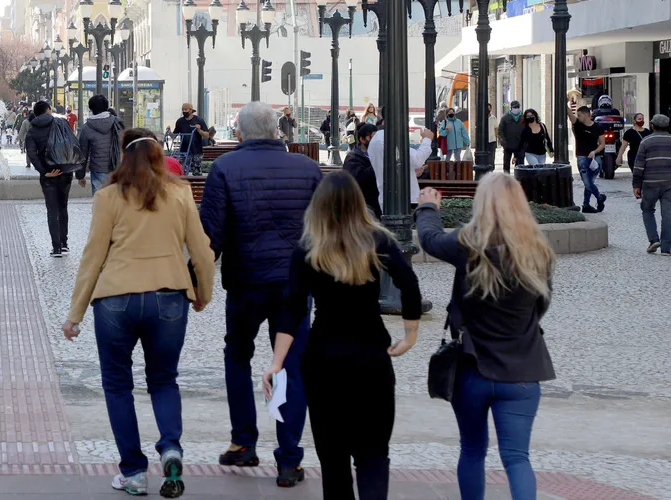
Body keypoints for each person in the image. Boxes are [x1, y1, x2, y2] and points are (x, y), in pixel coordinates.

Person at [62, 128, 215, 499]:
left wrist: (75, 314)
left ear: (123, 159)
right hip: (169, 298)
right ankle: (171, 448)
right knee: (164, 380)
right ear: (159, 158)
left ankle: (133, 471)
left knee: (118, 386)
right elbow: (202, 251)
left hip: (116, 299)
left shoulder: (108, 197)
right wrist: (201, 294)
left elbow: (93, 257)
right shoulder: (179, 194)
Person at [263, 170, 421, 500]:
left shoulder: (307, 249)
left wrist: (277, 362)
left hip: (323, 359)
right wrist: (409, 335)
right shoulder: (378, 241)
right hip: (371, 357)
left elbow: (292, 309)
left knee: (333, 458)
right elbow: (409, 283)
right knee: (374, 453)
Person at [199, 101, 321, 488]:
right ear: (276, 131)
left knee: (237, 355)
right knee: (290, 366)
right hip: (294, 285)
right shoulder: (307, 169)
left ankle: (243, 441)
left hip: (245, 281)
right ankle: (288, 459)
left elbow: (211, 235)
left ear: (239, 134)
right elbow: (322, 230)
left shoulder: (224, 168)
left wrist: (195, 282)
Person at [415, 173, 556, 500]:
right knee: (518, 458)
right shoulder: (539, 251)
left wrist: (428, 207)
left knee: (472, 450)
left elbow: (430, 240)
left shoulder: (468, 243)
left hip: (471, 368)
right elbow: (542, 304)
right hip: (521, 371)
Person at [26, 101, 82, 257]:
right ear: (48, 110)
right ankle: (64, 243)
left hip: (49, 174)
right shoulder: (61, 122)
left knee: (52, 210)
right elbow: (72, 143)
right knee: (63, 207)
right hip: (64, 171)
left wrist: (44, 172)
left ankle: (56, 248)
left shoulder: (32, 131)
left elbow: (32, 154)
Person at [632, 114, 671, 255]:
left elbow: (639, 166)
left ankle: (653, 239)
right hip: (669, 184)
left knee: (648, 210)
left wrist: (636, 185)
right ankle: (667, 248)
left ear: (653, 126)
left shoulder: (646, 142)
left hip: (650, 183)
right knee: (668, 214)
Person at [369, 128, 434, 208]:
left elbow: (392, 167)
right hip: (404, 198)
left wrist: (411, 172)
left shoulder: (376, 141)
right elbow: (417, 159)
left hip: (386, 197)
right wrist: (427, 139)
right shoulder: (388, 139)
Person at [78, 95, 124, 194]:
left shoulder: (86, 128)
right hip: (118, 168)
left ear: (91, 108)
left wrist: (80, 175)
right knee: (117, 202)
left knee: (100, 201)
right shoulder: (117, 123)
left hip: (98, 169)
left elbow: (83, 153)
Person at [567, 105, 607, 213]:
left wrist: (595, 152)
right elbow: (570, 114)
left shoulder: (598, 127)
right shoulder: (578, 125)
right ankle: (599, 197)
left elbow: (602, 144)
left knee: (590, 182)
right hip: (582, 157)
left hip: (595, 158)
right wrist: (565, 102)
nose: (578, 117)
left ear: (586, 115)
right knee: (587, 182)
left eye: (580, 115)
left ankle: (586, 205)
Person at [342, 123, 382, 219]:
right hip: (363, 207)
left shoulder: (378, 154)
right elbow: (358, 180)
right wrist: (377, 164)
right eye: (372, 138)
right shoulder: (353, 157)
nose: (376, 141)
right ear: (362, 139)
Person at [172, 103, 209, 175]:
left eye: (186, 109)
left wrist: (199, 130)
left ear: (191, 110)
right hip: (184, 150)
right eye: (183, 109)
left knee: (197, 172)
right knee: (183, 172)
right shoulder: (180, 121)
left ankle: (196, 185)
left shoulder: (198, 120)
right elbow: (174, 136)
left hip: (196, 150)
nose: (184, 111)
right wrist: (169, 132)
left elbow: (207, 135)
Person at [498, 100, 526, 173]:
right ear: (511, 108)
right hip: (508, 145)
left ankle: (519, 179)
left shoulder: (523, 118)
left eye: (517, 107)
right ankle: (506, 180)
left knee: (520, 165)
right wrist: (503, 142)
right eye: (514, 107)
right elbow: (500, 131)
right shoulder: (505, 118)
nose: (516, 109)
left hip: (520, 145)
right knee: (506, 165)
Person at [487, 103, 498, 168]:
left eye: (489, 108)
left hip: (492, 139)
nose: (488, 110)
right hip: (484, 140)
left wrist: (496, 138)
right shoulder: (482, 118)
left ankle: (491, 167)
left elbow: (496, 128)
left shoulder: (493, 118)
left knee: (492, 155)